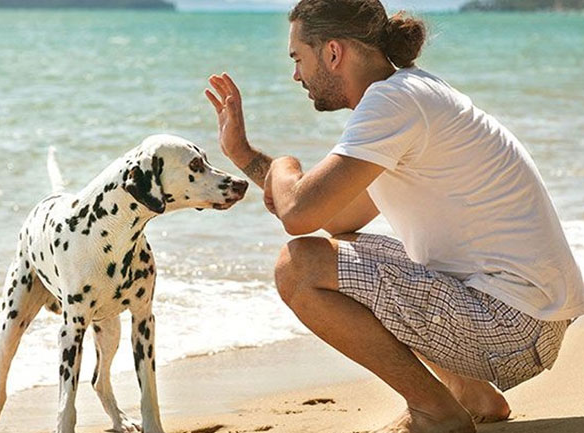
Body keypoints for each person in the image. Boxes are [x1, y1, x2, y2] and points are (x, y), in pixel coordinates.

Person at [204, 1, 584, 432]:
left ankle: (435, 412)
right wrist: (245, 156)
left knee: (297, 268)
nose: (296, 75)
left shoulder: (393, 102)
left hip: (511, 326)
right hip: (526, 315)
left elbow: (297, 213)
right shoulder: (409, 93)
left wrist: (283, 165)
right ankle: (471, 395)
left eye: (298, 59)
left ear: (333, 52)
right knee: (344, 250)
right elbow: (335, 220)